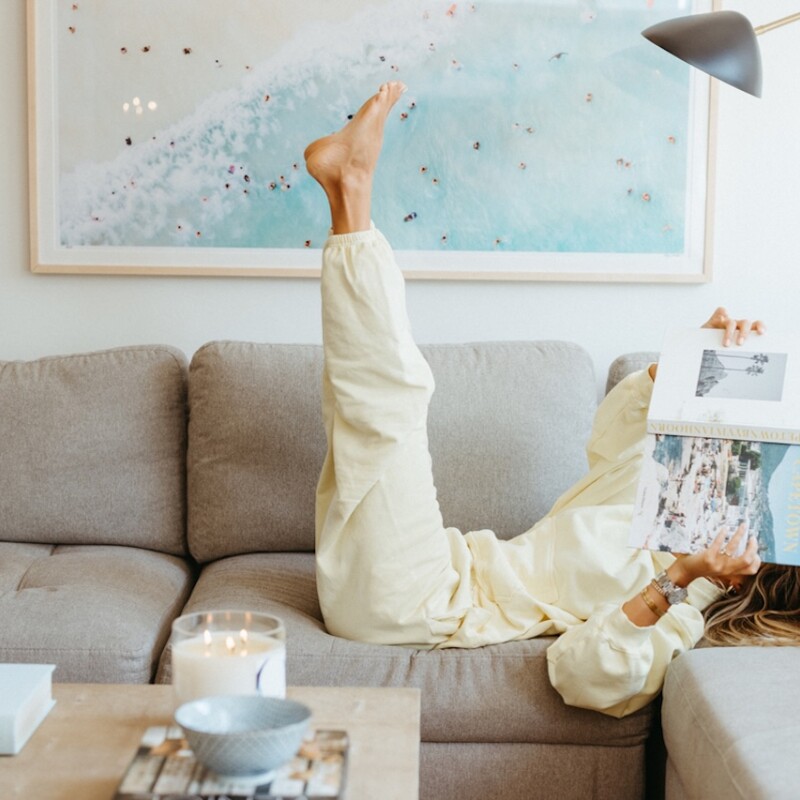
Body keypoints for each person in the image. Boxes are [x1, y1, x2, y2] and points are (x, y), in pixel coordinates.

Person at [304, 82, 800, 718]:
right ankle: (348, 189)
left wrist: (682, 576)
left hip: (419, 603)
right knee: (369, 408)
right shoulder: (684, 500)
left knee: (391, 401)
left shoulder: (694, 602)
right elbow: (611, 442)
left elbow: (583, 673)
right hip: (443, 557)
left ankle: (351, 189)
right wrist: (688, 367)